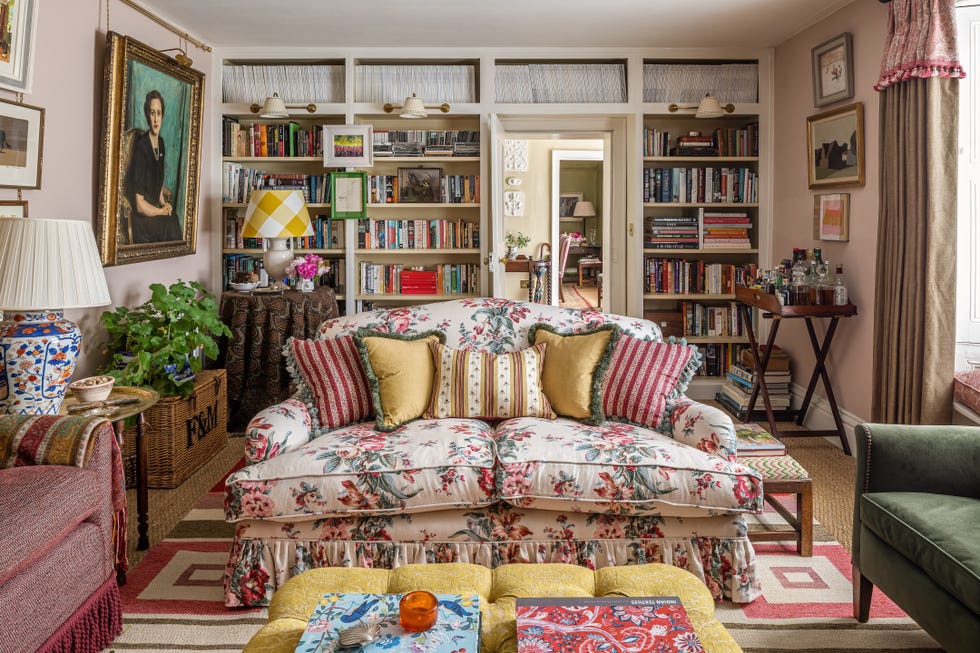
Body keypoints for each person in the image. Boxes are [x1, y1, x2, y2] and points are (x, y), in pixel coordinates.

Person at [126, 90, 181, 244]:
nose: (156, 118)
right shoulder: (142, 147)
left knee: (173, 218)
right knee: (170, 223)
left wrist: (165, 205)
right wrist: (161, 212)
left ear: (162, 116)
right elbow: (139, 205)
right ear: (147, 115)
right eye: (152, 113)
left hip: (155, 213)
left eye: (159, 113)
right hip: (142, 220)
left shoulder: (161, 144)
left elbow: (156, 187)